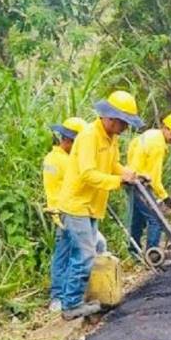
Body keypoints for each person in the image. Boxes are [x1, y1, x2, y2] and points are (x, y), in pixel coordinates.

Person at [56, 91, 142, 320]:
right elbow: (87, 174)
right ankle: (71, 305)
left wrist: (131, 174)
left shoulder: (111, 138)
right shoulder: (88, 137)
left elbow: (113, 165)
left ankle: (73, 298)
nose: (125, 127)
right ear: (110, 118)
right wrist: (118, 181)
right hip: (76, 204)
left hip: (92, 205)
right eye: (124, 122)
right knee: (84, 255)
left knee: (83, 254)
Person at [126, 112, 171, 256]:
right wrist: (165, 198)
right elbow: (155, 178)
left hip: (131, 180)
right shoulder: (158, 145)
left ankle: (134, 253)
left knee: (137, 220)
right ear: (165, 128)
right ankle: (152, 255)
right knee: (157, 219)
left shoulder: (150, 134)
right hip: (139, 184)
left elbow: (132, 148)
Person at [43, 117, 86, 313]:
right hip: (66, 212)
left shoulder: (54, 158)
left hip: (62, 211)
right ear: (69, 140)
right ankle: (59, 297)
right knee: (67, 254)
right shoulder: (63, 161)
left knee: (69, 253)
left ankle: (65, 294)